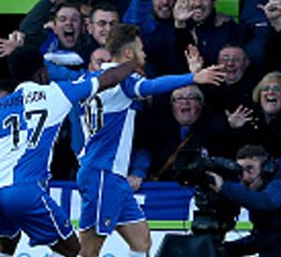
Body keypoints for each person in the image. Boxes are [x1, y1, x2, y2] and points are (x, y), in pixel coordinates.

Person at [0, 44, 139, 257]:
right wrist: (134, 65)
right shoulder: (55, 93)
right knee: (73, 250)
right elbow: (108, 79)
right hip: (25, 190)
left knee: (6, 246)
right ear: (42, 73)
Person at [76, 23, 225, 257]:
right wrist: (193, 76)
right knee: (89, 251)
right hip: (102, 174)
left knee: (141, 241)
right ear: (128, 54)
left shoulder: (90, 78)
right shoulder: (121, 81)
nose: (144, 54)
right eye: (141, 49)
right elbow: (151, 86)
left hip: (111, 176)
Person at [207, 145, 281, 256]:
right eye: (241, 171)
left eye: (250, 168)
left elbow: (265, 202)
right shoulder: (261, 195)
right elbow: (262, 240)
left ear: (267, 169)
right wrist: (224, 250)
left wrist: (224, 187)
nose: (245, 177)